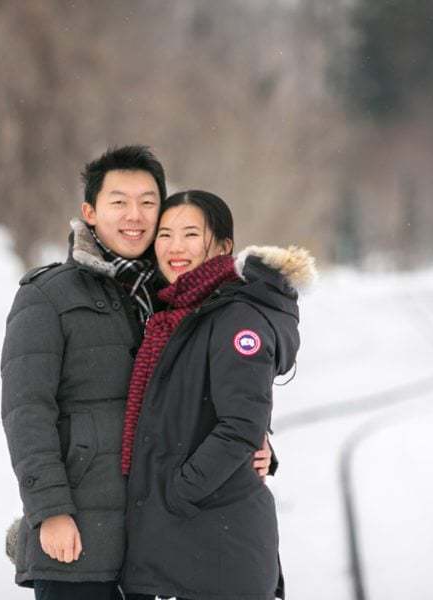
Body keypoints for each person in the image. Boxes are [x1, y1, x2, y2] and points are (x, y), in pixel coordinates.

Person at [1, 147, 273, 600]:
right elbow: (26, 413)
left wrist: (259, 443)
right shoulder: (47, 297)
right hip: (80, 538)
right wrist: (49, 511)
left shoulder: (177, 295)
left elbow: (214, 393)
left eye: (148, 202)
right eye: (119, 202)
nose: (135, 216)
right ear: (90, 212)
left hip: (159, 546)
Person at [120, 190, 315, 600]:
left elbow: (242, 425)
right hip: (184, 546)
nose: (175, 247)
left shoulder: (235, 317)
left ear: (225, 246)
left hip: (216, 554)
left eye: (191, 234)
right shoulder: (175, 314)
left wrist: (178, 491)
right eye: (165, 234)